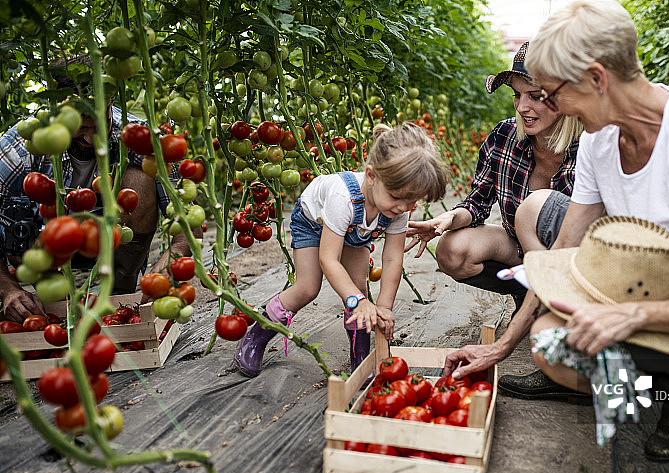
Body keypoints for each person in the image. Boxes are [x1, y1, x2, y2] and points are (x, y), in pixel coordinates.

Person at [444, 0, 669, 462]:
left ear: (597, 79)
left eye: (555, 93)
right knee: (548, 343)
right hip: (647, 274)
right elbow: (563, 248)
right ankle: (628, 370)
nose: (549, 105)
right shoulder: (600, 137)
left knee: (569, 344)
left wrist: (629, 318)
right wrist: (500, 347)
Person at [405, 41, 585, 401]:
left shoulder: (589, 145)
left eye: (535, 96)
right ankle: (525, 293)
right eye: (517, 96)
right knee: (453, 249)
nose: (522, 107)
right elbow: (479, 202)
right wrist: (446, 220)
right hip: (521, 250)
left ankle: (556, 317)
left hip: (574, 262)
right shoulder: (505, 136)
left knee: (538, 207)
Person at [234, 122, 449, 377]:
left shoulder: (398, 208)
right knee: (308, 288)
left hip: (355, 232)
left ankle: (361, 358)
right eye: (396, 197)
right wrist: (357, 301)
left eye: (412, 201)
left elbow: (392, 259)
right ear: (371, 176)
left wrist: (384, 307)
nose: (404, 207)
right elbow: (329, 259)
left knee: (358, 288)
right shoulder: (342, 198)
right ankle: (255, 337)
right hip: (314, 224)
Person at [0, 56, 194, 323]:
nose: (90, 139)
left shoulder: (138, 137)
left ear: (111, 103)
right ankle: (53, 299)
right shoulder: (22, 149)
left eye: (98, 124)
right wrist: (7, 288)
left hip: (113, 242)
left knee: (140, 177)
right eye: (80, 127)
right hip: (43, 252)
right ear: (56, 109)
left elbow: (187, 218)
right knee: (16, 210)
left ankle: (119, 292)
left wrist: (174, 258)